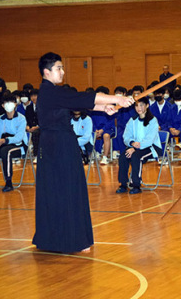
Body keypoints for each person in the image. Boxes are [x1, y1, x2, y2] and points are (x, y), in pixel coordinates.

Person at [32, 52, 133, 254]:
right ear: (47, 72)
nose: (62, 71)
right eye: (58, 68)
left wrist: (105, 107)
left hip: (61, 144)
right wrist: (117, 99)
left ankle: (71, 238)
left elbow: (79, 103)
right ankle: (66, 240)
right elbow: (82, 97)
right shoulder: (49, 91)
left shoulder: (53, 92)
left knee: (70, 188)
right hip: (57, 147)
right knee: (64, 190)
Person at [116, 97, 162, 194]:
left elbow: (149, 140)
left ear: (147, 106)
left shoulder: (153, 120)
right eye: (136, 105)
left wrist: (135, 147)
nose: (139, 108)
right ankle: (123, 184)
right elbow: (126, 136)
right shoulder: (132, 120)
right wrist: (132, 143)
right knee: (123, 157)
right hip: (134, 146)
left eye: (141, 105)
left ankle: (136, 185)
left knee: (137, 157)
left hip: (151, 147)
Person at [91, 86, 115, 165]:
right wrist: (95, 129)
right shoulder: (93, 107)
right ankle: (93, 153)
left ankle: (105, 157)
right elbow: (91, 121)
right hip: (96, 129)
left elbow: (110, 122)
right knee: (89, 134)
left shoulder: (110, 107)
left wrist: (102, 130)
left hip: (108, 129)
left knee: (106, 135)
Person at [112, 87, 131, 159]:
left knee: (121, 134)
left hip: (127, 126)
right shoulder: (113, 104)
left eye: (120, 93)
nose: (118, 95)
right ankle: (116, 151)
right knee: (115, 132)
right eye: (116, 93)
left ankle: (123, 153)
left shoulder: (127, 103)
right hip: (118, 126)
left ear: (124, 94)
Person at [25, 88, 40, 162]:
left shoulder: (43, 107)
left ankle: (36, 154)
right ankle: (23, 152)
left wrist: (37, 126)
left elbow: (45, 120)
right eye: (32, 96)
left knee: (36, 133)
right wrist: (27, 126)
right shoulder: (28, 107)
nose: (33, 98)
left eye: (35, 95)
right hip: (30, 127)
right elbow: (26, 119)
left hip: (40, 127)